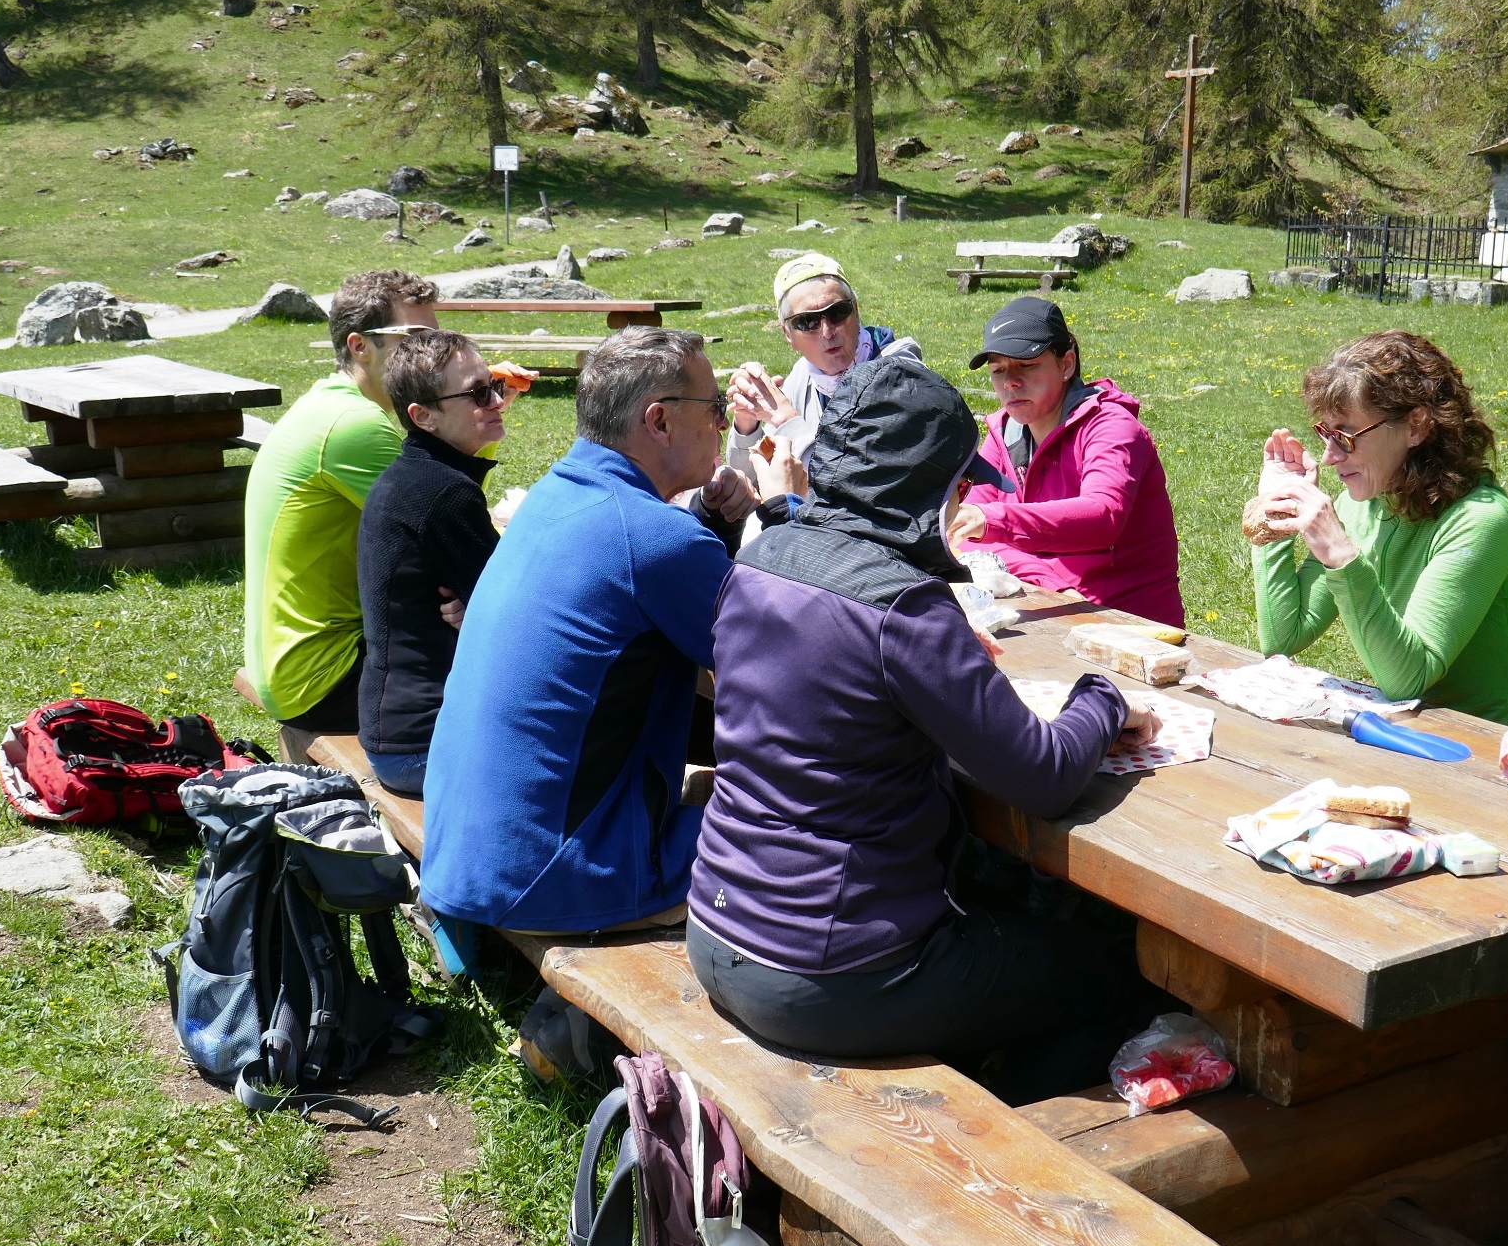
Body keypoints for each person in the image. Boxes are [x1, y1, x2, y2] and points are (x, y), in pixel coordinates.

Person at [689, 353, 1165, 1104]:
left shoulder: (764, 554)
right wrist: (1102, 700)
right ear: (928, 486)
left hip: (718, 924)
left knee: (1007, 929)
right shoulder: (901, 604)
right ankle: (1024, 1159)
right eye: (960, 481)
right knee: (1106, 977)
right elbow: (1040, 777)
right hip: (831, 970)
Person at [415, 327, 785, 935]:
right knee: (821, 823)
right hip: (557, 875)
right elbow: (792, 657)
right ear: (659, 420)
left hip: (470, 860)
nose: (723, 424)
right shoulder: (651, 538)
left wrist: (709, 526)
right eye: (716, 408)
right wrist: (785, 512)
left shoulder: (557, 497)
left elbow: (655, 588)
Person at [1243, 330, 1508, 724]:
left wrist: (1340, 555)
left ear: (1416, 426)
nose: (1330, 457)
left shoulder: (1480, 521)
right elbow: (1284, 638)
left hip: (1490, 745)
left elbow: (1407, 677)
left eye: (1346, 436)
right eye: (1325, 434)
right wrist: (1278, 513)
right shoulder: (1362, 503)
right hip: (1406, 730)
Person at [243, 270, 436, 734]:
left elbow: (443, 517)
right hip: (325, 679)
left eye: (438, 337)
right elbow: (450, 536)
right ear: (359, 346)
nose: (432, 353)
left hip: (295, 666)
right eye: (414, 338)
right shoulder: (355, 426)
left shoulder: (331, 404)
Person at [355, 328, 525, 797]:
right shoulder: (444, 493)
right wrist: (484, 611)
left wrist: (480, 609)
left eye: (492, 384)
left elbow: (491, 599)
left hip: (396, 732)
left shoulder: (415, 475)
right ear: (423, 416)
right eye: (476, 393)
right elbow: (521, 617)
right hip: (424, 746)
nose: (495, 400)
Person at [949, 296, 1184, 625]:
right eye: (998, 370)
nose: (1010, 382)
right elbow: (968, 539)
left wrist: (992, 521)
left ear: (1067, 364)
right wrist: (1052, 584)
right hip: (1051, 609)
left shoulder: (1112, 426)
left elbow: (1104, 516)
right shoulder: (1003, 434)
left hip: (1130, 624)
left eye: (1026, 365)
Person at [724, 252, 921, 494]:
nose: (827, 332)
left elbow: (863, 480)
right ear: (788, 335)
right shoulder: (803, 377)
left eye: (837, 312)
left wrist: (786, 420)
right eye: (808, 322)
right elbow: (749, 481)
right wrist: (748, 423)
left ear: (856, 312)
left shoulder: (899, 372)